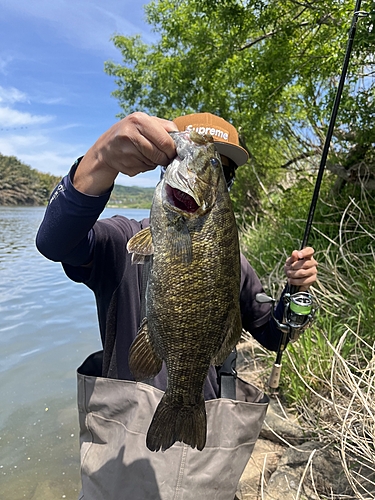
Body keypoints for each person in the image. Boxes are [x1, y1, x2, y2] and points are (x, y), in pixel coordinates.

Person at [36, 112, 318, 500]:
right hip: (124, 442)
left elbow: (272, 334)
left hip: (206, 444)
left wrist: (295, 294)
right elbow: (55, 242)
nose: (215, 175)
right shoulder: (121, 240)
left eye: (223, 171)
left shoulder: (231, 261)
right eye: (201, 161)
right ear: (162, 164)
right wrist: (100, 159)